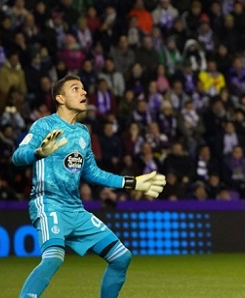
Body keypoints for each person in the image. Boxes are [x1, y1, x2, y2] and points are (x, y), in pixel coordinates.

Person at [12, 74, 167, 298]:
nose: (84, 93)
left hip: (75, 209)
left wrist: (133, 182)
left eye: (83, 89)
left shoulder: (83, 132)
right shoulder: (44, 125)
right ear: (60, 98)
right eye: (75, 89)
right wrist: (38, 152)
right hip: (48, 203)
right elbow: (17, 156)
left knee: (121, 257)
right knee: (54, 258)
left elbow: (92, 172)